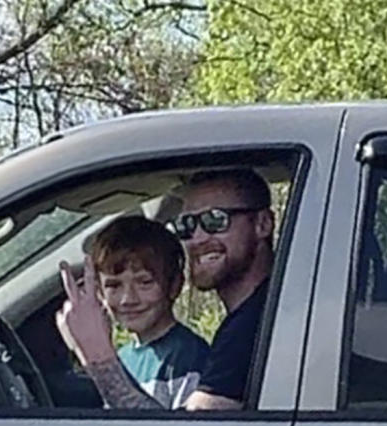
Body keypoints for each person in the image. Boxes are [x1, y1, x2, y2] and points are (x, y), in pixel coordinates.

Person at [56, 168, 274, 410]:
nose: (197, 238)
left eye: (216, 220)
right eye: (187, 225)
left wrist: (96, 353)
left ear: (263, 223)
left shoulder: (261, 323)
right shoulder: (248, 322)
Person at [88, 216, 210, 409]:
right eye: (114, 285)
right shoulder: (122, 358)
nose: (128, 299)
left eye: (145, 283)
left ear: (174, 286)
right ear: (100, 292)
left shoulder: (189, 357)